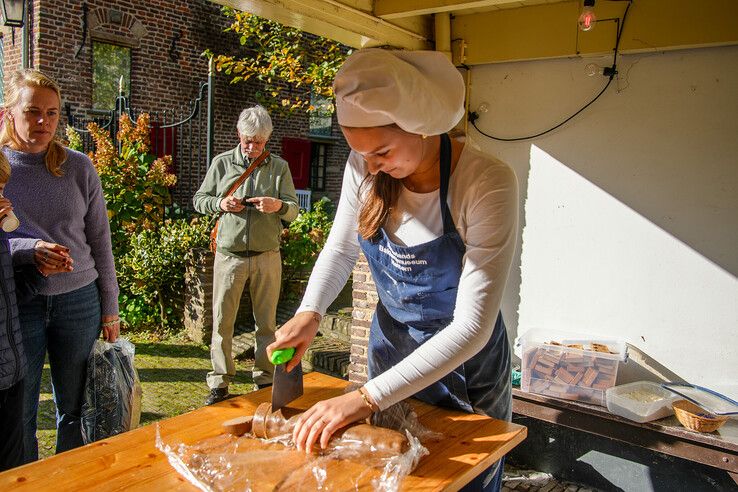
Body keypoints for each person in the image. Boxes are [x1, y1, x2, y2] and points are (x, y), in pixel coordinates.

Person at [267, 49, 519, 491]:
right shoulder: (362, 167)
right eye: (359, 152)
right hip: (391, 352)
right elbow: (341, 249)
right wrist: (311, 311)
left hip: (467, 369)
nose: (370, 165)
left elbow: (472, 328)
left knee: (461, 479)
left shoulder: (485, 182)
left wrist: (364, 397)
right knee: (389, 475)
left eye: (381, 151)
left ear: (421, 125)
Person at [1, 69, 120, 463]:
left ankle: (72, 477)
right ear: (8, 114)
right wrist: (27, 248)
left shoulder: (78, 166)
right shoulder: (0, 169)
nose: (43, 122)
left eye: (52, 114)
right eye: (33, 111)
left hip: (79, 302)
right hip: (21, 302)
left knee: (76, 408)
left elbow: (100, 240)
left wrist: (110, 306)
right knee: (21, 411)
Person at [193, 105, 299, 405]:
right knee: (222, 322)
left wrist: (278, 206)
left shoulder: (279, 167)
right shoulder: (222, 163)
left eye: (259, 142)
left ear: (267, 139)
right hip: (230, 256)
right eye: (248, 140)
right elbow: (199, 199)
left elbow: (294, 209)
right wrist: (221, 204)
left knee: (266, 323)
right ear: (239, 134)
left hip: (268, 255)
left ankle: (264, 379)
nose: (253, 147)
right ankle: (220, 382)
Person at [0, 153, 44, 472]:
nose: (2, 199)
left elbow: (9, 298)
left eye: (2, 189)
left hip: (11, 372)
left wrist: (37, 270)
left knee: (13, 472)